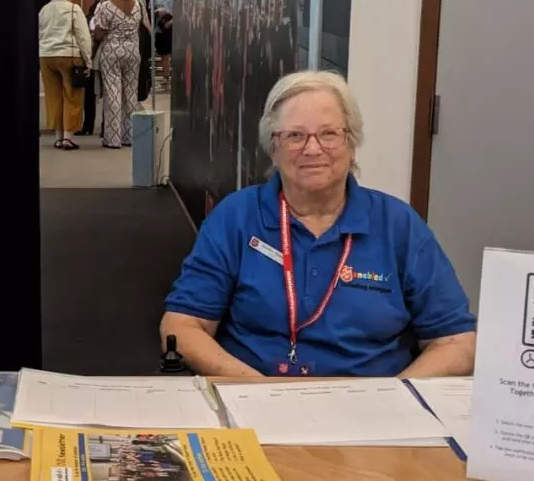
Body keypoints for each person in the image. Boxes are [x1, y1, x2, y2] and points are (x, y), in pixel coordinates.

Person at [161, 71, 476, 377]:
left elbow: (457, 342)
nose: (313, 149)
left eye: (329, 134)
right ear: (274, 148)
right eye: (295, 136)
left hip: (370, 409)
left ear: (352, 145)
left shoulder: (399, 225)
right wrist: (257, 392)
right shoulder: (236, 217)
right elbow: (181, 326)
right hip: (254, 400)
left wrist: (392, 398)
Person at [92, 0, 151, 149]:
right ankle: (129, 135)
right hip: (133, 52)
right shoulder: (138, 6)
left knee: (113, 93)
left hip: (112, 51)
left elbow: (99, 32)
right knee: (130, 94)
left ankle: (113, 138)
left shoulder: (106, 6)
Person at [38, 0, 92, 150]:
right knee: (72, 95)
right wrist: (88, 60)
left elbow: (38, 33)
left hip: (46, 56)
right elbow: (83, 36)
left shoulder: (44, 10)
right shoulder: (73, 9)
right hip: (69, 55)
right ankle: (68, 136)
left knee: (53, 96)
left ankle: (58, 136)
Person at [76, 0, 110, 137]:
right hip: (92, 51)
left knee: (107, 91)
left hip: (104, 51)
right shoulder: (94, 4)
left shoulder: (110, 5)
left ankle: (106, 125)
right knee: (89, 91)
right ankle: (87, 124)